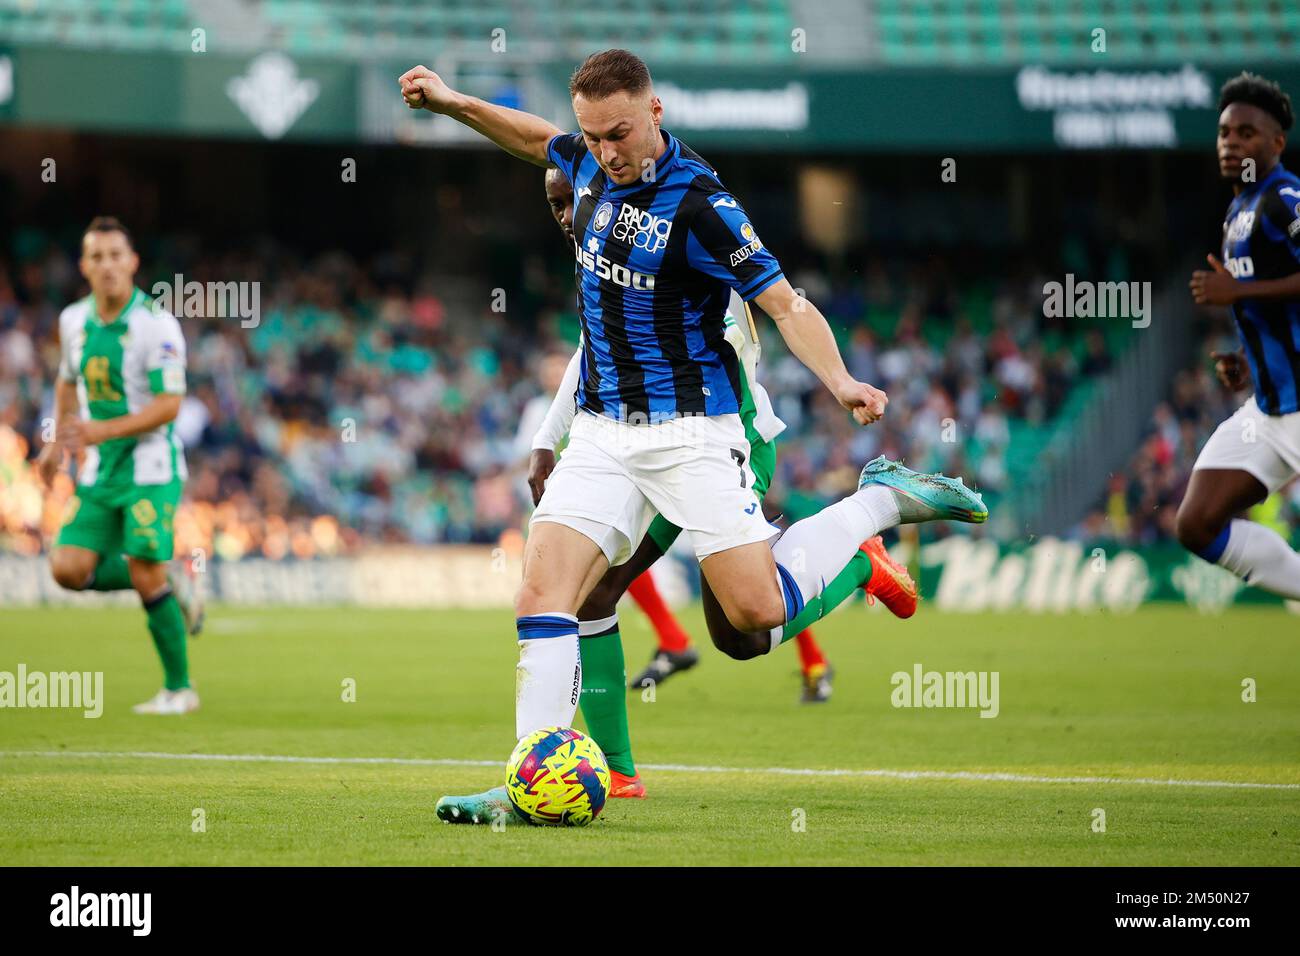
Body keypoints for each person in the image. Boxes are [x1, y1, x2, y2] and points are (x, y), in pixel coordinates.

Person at [400, 50, 986, 824]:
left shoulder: (702, 205)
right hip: (605, 436)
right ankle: (524, 786)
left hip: (694, 434)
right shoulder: (584, 164)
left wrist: (841, 380)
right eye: (593, 136)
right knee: (544, 595)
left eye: (619, 133)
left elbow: (784, 303)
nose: (607, 151)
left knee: (750, 618)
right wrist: (449, 102)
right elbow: (534, 139)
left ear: (655, 114)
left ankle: (877, 505)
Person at [36, 217, 204, 715]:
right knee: (67, 568)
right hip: (100, 470)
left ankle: (180, 688)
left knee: (142, 567)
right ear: (84, 266)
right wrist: (54, 441)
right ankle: (170, 576)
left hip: (152, 468)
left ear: (132, 263)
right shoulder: (72, 321)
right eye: (97, 257)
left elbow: (169, 404)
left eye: (116, 255)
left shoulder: (155, 323)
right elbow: (68, 382)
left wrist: (98, 431)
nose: (107, 265)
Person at [1182, 72, 1300, 600]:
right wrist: (1245, 360)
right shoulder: (1238, 211)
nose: (1232, 143)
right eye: (1226, 132)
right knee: (1196, 523)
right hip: (1269, 410)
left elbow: (1257, 292)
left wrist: (1239, 292)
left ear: (1277, 143)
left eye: (1247, 133)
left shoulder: (1285, 198)